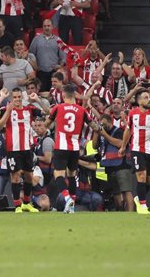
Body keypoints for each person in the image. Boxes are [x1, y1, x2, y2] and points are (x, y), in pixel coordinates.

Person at [0, 88, 39, 213]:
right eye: (15, 97)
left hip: (27, 148)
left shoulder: (29, 110)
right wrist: (2, 97)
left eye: (19, 97)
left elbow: (47, 111)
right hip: (13, 149)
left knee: (29, 176)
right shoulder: (7, 110)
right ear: (11, 98)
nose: (17, 99)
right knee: (16, 176)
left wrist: (37, 99)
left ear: (22, 98)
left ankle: (27, 203)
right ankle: (18, 205)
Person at [119, 90, 150, 215]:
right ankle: (143, 206)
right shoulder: (133, 113)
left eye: (149, 97)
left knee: (149, 180)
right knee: (141, 176)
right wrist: (123, 147)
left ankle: (139, 198)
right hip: (136, 149)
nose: (149, 99)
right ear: (139, 101)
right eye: (146, 97)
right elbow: (128, 131)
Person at [48, 84, 90, 213]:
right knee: (72, 175)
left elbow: (47, 123)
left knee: (58, 175)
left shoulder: (58, 107)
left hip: (61, 146)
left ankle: (67, 199)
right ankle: (71, 205)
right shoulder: (82, 110)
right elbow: (93, 125)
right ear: (75, 95)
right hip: (75, 147)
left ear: (63, 94)